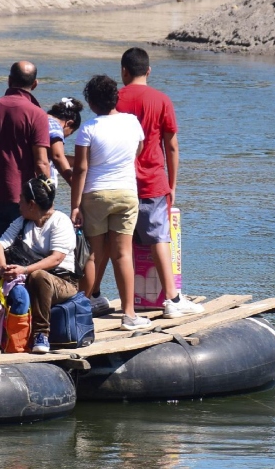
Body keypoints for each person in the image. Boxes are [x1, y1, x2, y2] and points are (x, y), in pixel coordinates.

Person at [116, 47, 203, 319]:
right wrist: (173, 184)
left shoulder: (114, 100)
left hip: (120, 180)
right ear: (149, 71)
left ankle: (126, 303)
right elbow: (172, 146)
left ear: (124, 72)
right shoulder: (161, 100)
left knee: (121, 244)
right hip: (153, 180)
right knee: (159, 239)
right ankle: (173, 299)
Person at [0, 61, 52, 320]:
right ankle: (18, 317)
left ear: (8, 80)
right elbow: (41, 161)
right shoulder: (37, 115)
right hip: (26, 203)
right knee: (27, 259)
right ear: (35, 84)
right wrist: (47, 202)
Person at [69, 74, 151, 331]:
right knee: (123, 254)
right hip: (126, 193)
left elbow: (81, 169)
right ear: (115, 98)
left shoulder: (89, 129)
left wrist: (75, 205)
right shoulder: (132, 122)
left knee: (93, 255)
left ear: (91, 103)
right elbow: (137, 152)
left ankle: (82, 308)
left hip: (95, 195)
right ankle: (129, 314)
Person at [0, 176, 78, 354]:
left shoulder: (61, 222)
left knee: (39, 276)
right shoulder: (22, 221)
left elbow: (56, 259)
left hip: (62, 281)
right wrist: (2, 268)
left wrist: (25, 270)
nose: (18, 203)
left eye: (21, 199)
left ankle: (41, 334)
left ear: (31, 204)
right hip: (26, 277)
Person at [45, 97, 83, 186]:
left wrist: (83, 161)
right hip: (41, 187)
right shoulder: (55, 127)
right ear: (68, 123)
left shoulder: (42, 119)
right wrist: (76, 186)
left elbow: (50, 155)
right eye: (71, 132)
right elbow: (57, 157)